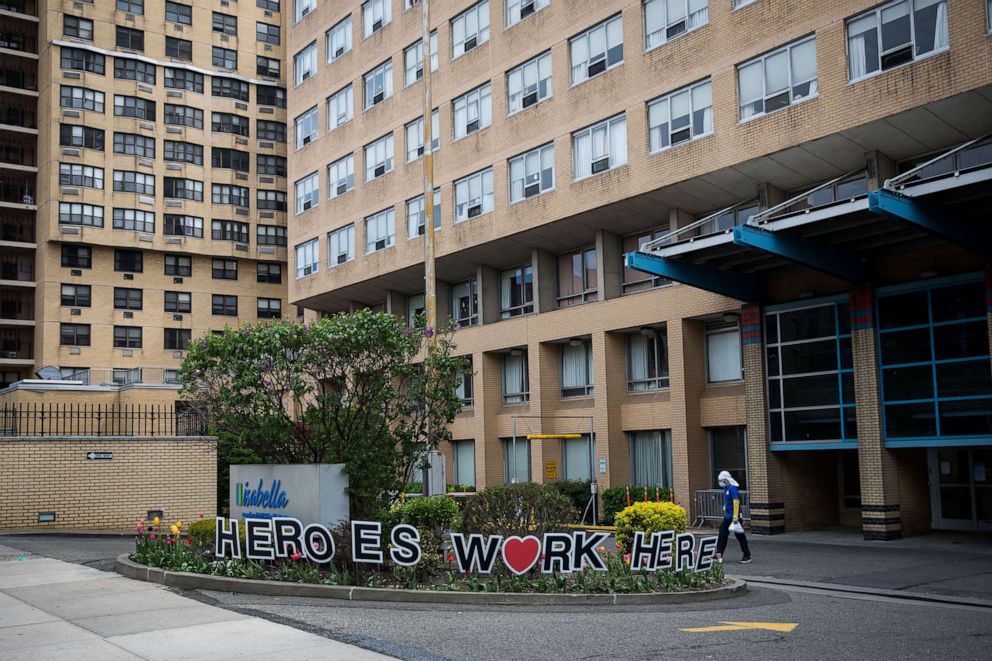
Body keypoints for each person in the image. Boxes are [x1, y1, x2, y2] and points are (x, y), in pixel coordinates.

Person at [716, 470, 751, 564]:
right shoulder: (726, 489)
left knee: (740, 536)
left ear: (726, 480)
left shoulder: (732, 488)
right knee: (722, 534)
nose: (720, 482)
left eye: (721, 480)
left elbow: (736, 501)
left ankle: (747, 555)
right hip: (728, 516)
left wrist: (735, 516)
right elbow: (728, 501)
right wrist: (725, 506)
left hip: (734, 517)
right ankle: (718, 554)